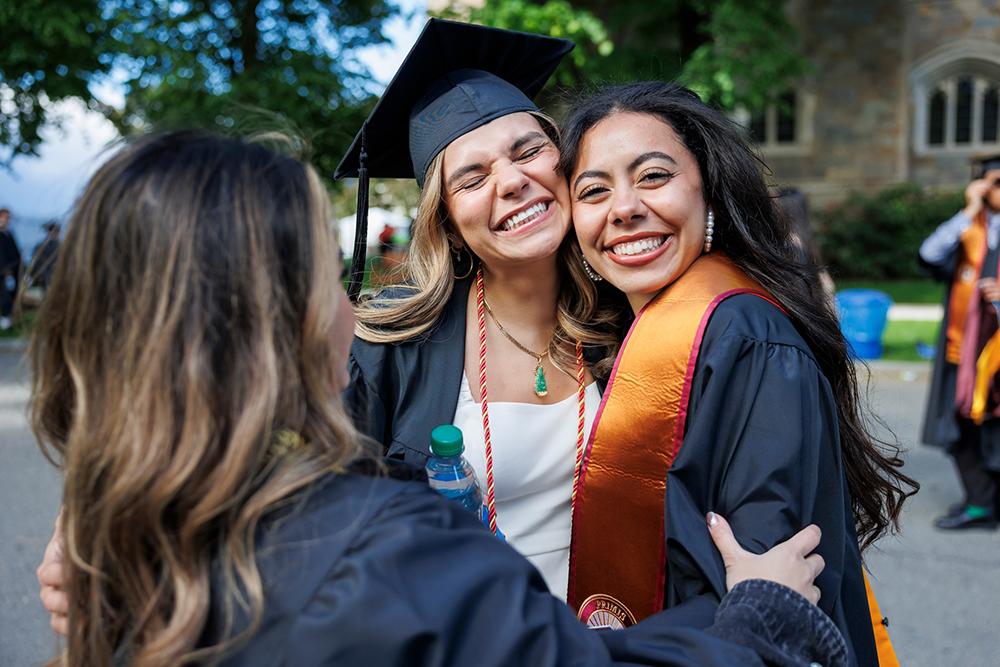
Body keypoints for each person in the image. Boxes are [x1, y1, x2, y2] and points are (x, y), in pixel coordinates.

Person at [32, 129, 848, 666]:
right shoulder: (382, 537)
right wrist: (760, 619)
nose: (351, 310)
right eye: (330, 276)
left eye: (534, 151)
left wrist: (108, 517)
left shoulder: (658, 332)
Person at [560, 81, 918, 666]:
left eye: (653, 176)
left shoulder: (748, 337)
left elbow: (767, 586)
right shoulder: (626, 341)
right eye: (594, 190)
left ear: (712, 193)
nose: (623, 208)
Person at [919, 153, 1000, 530]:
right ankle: (980, 504)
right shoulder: (971, 228)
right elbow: (929, 254)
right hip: (964, 349)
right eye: (993, 183)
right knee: (960, 426)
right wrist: (970, 208)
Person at [0, 206, 22, 330]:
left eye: (8, 218)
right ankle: (5, 321)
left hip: (12, 271)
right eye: (4, 217)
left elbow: (15, 253)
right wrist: (5, 270)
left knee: (11, 295)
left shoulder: (9, 234)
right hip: (3, 272)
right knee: (5, 297)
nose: (7, 220)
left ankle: (8, 320)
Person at [26, 220, 61, 290]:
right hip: (44, 278)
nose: (55, 234)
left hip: (56, 277)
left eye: (57, 231)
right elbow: (34, 262)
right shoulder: (41, 246)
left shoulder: (60, 246)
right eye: (53, 231)